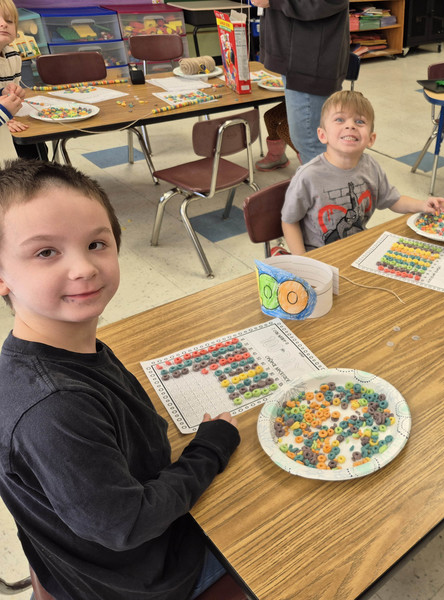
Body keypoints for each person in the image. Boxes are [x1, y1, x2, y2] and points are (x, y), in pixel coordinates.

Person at [0, 160, 241, 599]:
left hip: (95, 559)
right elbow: (128, 524)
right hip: (143, 581)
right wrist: (211, 448)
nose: (84, 268)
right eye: (46, 252)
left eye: (96, 244)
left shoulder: (61, 346)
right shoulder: (53, 409)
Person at [281, 90, 444, 255]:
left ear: (371, 139)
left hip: (358, 248)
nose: (350, 125)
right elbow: (289, 221)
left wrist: (422, 205)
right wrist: (302, 260)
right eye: (339, 119)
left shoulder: (370, 166)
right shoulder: (308, 176)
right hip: (321, 256)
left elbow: (394, 200)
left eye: (359, 121)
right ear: (322, 135)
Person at [254, 0, 350, 165]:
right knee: (307, 139)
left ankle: (320, 180)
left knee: (310, 142)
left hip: (309, 60)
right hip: (295, 55)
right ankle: (314, 178)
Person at [0, 0, 45, 159]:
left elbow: (10, 100)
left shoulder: (13, 55)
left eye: (9, 21)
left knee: (34, 144)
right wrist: (4, 112)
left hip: (5, 121)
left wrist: (7, 93)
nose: (4, 24)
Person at [256, 101, 298, 171]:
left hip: (313, 102)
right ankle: (277, 157)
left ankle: (310, 163)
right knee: (270, 117)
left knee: (283, 129)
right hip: (298, 100)